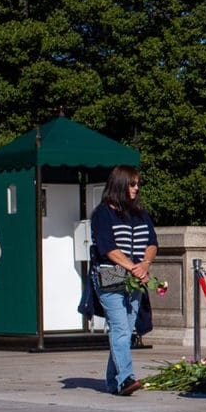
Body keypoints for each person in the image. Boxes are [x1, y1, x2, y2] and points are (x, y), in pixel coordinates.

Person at [88, 166, 156, 396]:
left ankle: (112, 381)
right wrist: (132, 267)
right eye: (132, 184)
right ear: (120, 184)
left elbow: (152, 242)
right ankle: (126, 378)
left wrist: (145, 264)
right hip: (110, 273)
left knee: (126, 328)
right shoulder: (102, 214)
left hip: (135, 276)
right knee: (120, 328)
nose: (136, 188)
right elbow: (108, 248)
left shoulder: (140, 213)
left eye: (137, 184)